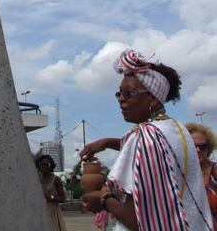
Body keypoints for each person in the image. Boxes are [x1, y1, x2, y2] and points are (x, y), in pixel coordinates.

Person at [80, 49, 213, 230]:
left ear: (153, 98)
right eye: (119, 93)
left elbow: (135, 219)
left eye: (129, 93)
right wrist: (106, 142)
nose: (121, 99)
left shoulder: (143, 136)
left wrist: (102, 200)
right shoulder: (177, 129)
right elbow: (153, 153)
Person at [186, 122, 217, 230]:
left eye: (202, 146)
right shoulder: (180, 175)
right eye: (193, 145)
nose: (198, 150)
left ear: (208, 148)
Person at [36, 154, 67, 231]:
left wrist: (52, 198)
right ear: (38, 165)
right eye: (42, 164)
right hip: (39, 209)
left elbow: (63, 198)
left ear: (51, 166)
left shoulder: (56, 179)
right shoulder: (35, 178)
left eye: (46, 164)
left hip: (52, 211)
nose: (44, 166)